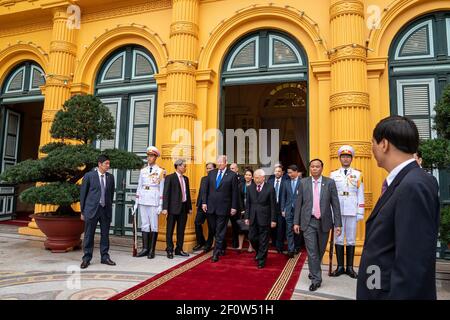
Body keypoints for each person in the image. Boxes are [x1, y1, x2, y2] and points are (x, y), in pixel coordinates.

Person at [357, 116, 440, 300]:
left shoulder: (414, 185)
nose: (372, 149)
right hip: (378, 286)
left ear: (384, 144)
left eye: (373, 143)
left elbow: (412, 265)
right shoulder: (403, 180)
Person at [293, 159, 342, 292]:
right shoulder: (303, 183)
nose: (314, 169)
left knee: (320, 250)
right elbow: (298, 204)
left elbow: (335, 204)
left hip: (324, 222)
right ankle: (316, 279)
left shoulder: (330, 183)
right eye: (312, 167)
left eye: (317, 166)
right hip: (308, 222)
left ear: (322, 168)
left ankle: (313, 269)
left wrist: (338, 224)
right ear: (310, 168)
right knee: (312, 251)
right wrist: (296, 222)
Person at [329, 145, 365, 278]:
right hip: (338, 210)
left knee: (350, 239)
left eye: (348, 157)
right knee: (338, 238)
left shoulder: (357, 174)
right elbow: (331, 195)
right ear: (339, 158)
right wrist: (331, 212)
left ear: (351, 158)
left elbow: (360, 193)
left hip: (352, 209)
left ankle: (349, 268)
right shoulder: (333, 174)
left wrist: (360, 211)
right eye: (343, 157)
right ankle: (340, 267)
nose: (345, 159)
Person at [80, 155, 116, 269]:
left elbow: (111, 194)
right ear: (99, 164)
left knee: (105, 234)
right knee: (89, 234)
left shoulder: (110, 177)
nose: (108, 166)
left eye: (109, 163)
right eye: (106, 163)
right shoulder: (89, 176)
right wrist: (82, 211)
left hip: (105, 210)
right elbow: (83, 194)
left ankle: (105, 257)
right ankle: (86, 258)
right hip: (91, 210)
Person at [202, 155, 239, 262]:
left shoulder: (232, 175)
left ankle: (215, 253)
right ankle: (222, 245)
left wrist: (234, 207)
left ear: (226, 163)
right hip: (211, 207)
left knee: (220, 230)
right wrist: (204, 202)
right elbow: (205, 189)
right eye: (217, 163)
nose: (219, 164)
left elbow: (234, 193)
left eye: (221, 163)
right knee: (213, 229)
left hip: (224, 207)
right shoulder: (212, 173)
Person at [135, 146, 164, 259]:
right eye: (148, 156)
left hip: (153, 200)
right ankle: (145, 249)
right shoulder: (143, 171)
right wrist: (136, 202)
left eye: (152, 156)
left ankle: (152, 250)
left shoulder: (160, 171)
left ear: (156, 157)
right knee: (145, 224)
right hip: (143, 198)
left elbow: (161, 188)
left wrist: (161, 204)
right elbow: (139, 186)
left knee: (154, 225)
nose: (149, 158)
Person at [244, 169, 277, 268]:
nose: (256, 179)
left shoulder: (270, 188)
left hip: (265, 218)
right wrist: (247, 216)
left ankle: (262, 260)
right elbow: (248, 204)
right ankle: (259, 252)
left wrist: (273, 220)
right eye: (255, 177)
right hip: (253, 218)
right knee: (252, 237)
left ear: (263, 178)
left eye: (258, 177)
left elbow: (273, 205)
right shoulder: (250, 188)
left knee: (263, 240)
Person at [162, 159, 192, 258]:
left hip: (183, 208)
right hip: (172, 209)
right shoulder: (170, 177)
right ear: (178, 166)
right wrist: (165, 207)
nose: (185, 167)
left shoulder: (186, 179)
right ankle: (169, 249)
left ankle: (179, 249)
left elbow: (187, 194)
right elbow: (165, 193)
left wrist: (189, 207)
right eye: (184, 165)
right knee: (170, 230)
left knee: (181, 230)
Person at [281, 165, 303, 258]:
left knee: (297, 230)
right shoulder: (286, 182)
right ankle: (290, 250)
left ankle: (297, 247)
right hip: (288, 210)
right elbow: (283, 196)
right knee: (289, 230)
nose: (289, 174)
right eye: (288, 173)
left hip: (300, 210)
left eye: (290, 172)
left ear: (296, 171)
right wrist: (283, 209)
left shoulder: (302, 182)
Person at [193, 162, 216, 251]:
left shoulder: (217, 180)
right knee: (197, 223)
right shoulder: (203, 179)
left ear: (214, 169)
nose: (208, 170)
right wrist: (199, 203)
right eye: (207, 168)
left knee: (211, 226)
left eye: (210, 168)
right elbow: (201, 191)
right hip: (201, 206)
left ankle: (208, 244)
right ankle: (201, 242)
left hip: (211, 207)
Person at [267, 165, 286, 253]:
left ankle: (279, 247)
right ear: (274, 172)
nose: (277, 173)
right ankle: (274, 242)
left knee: (280, 228)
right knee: (272, 227)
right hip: (271, 207)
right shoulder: (270, 181)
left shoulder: (286, 182)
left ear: (282, 173)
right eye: (276, 171)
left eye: (279, 171)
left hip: (281, 207)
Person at [237, 168, 255, 253]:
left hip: (252, 211)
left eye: (249, 175)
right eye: (246, 175)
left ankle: (250, 247)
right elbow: (239, 199)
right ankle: (240, 246)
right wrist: (242, 209)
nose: (247, 176)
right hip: (242, 210)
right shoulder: (241, 185)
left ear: (252, 177)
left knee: (251, 229)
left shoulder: (255, 185)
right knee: (241, 229)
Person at [228, 163, 242, 248]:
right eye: (230, 168)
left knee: (235, 224)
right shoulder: (227, 177)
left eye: (233, 168)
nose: (231, 170)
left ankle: (235, 242)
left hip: (236, 205)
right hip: (227, 204)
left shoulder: (242, 179)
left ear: (237, 169)